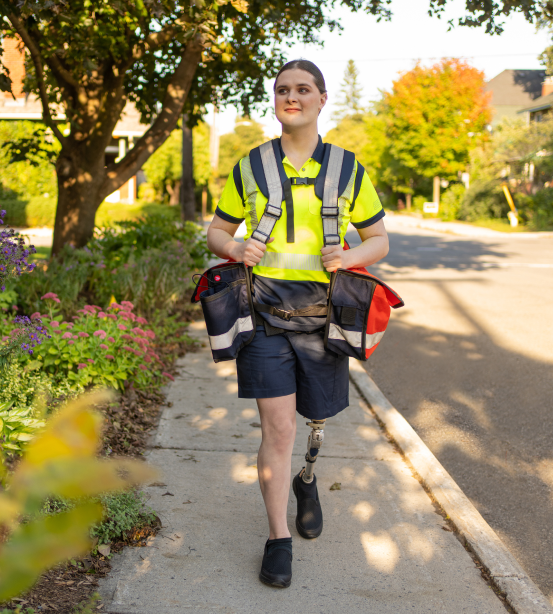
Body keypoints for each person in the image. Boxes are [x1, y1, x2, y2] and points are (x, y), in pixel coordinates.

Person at [206, 59, 389, 589]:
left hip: (324, 318)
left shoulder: (348, 169)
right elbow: (217, 232)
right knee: (277, 428)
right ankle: (277, 538)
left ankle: (306, 478)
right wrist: (234, 245)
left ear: (321, 99)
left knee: (314, 417)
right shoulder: (252, 166)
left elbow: (379, 239)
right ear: (276, 100)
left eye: (303, 89)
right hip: (262, 315)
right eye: (283, 89)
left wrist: (352, 256)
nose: (293, 96)